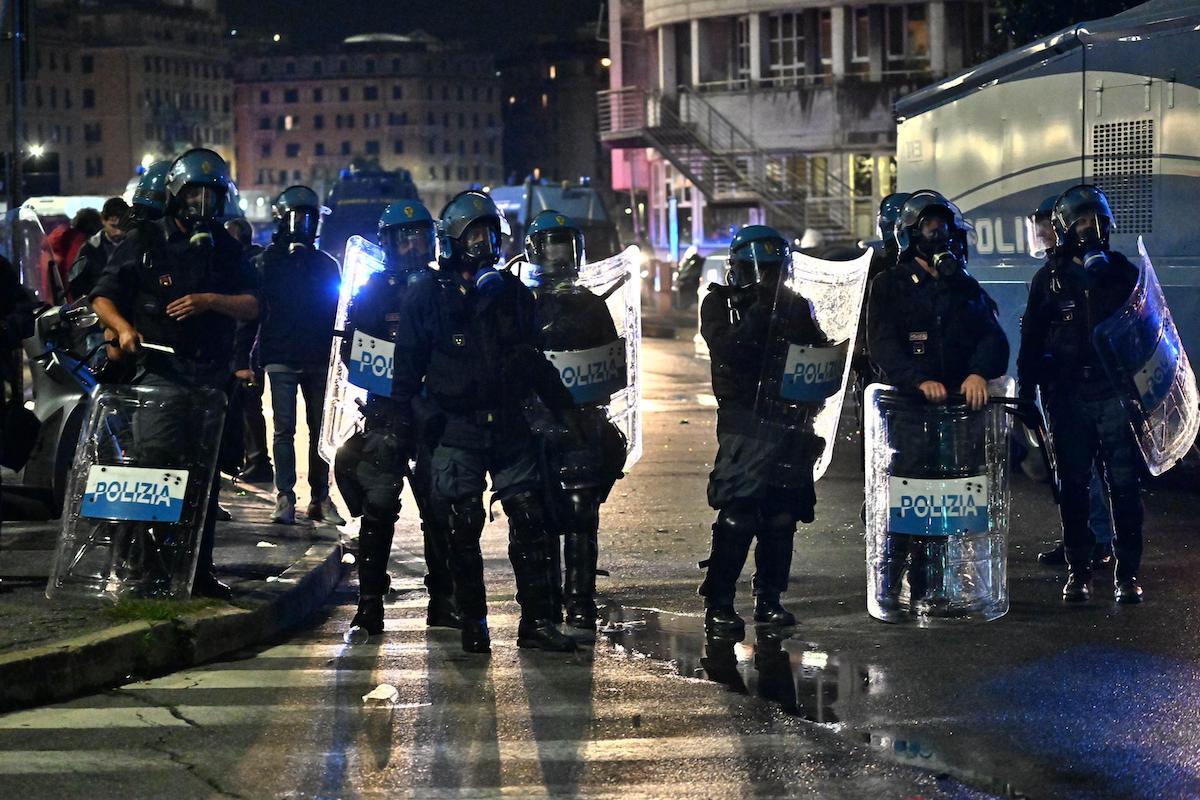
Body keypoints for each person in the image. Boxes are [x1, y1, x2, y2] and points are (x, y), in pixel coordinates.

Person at [391, 190, 578, 654]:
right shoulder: (425, 298)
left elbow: (533, 360)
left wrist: (567, 412)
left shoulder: (513, 295)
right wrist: (407, 430)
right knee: (461, 524)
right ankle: (473, 621)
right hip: (456, 428)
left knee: (531, 520)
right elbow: (406, 373)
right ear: (452, 240)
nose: (484, 243)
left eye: (490, 233)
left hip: (510, 427)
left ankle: (537, 621)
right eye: (475, 234)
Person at [89, 147, 260, 599]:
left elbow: (253, 303)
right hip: (159, 376)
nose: (201, 203)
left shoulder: (226, 247)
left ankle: (196, 575)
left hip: (211, 380)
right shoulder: (145, 240)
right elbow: (102, 296)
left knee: (202, 480)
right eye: (193, 193)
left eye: (210, 194)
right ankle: (146, 574)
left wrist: (210, 301)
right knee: (155, 474)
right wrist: (123, 330)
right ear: (175, 194)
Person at [866, 190, 1009, 611]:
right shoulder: (889, 285)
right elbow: (882, 347)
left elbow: (993, 337)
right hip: (909, 411)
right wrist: (917, 380)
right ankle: (891, 586)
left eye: (942, 228)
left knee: (946, 499)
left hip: (958, 416)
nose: (938, 235)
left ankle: (934, 588)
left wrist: (979, 372)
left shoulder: (962, 285)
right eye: (929, 229)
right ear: (910, 236)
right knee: (909, 497)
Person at [1017, 184, 1144, 603]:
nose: (1090, 229)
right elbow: (1031, 341)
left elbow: (1146, 334)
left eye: (1096, 222)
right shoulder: (1048, 280)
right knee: (1073, 487)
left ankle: (1127, 574)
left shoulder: (1122, 272)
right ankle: (1079, 571)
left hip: (1113, 395)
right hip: (1068, 398)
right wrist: (1027, 398)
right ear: (1066, 229)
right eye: (1081, 222)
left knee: (1124, 486)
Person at [698, 225, 828, 635]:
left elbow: (816, 351)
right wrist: (759, 312)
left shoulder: (795, 305)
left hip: (789, 420)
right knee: (739, 513)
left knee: (781, 515)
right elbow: (729, 350)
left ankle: (769, 597)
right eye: (759, 270)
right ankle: (719, 602)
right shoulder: (720, 304)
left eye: (773, 271)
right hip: (744, 421)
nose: (766, 278)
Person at [340, 200, 460, 637]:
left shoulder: (445, 286)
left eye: (419, 235)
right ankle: (369, 604)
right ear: (388, 241)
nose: (412, 245)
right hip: (388, 415)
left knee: (441, 510)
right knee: (378, 510)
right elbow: (352, 351)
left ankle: (443, 600)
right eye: (403, 236)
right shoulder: (372, 291)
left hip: (435, 416)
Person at [523, 210, 628, 633]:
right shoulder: (524, 304)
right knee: (538, 514)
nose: (558, 259)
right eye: (551, 250)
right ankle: (544, 601)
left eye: (565, 249)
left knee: (583, 513)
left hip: (584, 420)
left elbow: (610, 359)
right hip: (537, 424)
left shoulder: (591, 304)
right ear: (535, 253)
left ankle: (580, 600)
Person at [1020, 195, 1115, 572]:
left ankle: (1098, 540)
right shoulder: (1050, 274)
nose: (1041, 236)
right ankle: (1079, 538)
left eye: (1046, 228)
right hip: (1057, 386)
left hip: (1078, 389)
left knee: (1084, 470)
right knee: (1070, 471)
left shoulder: (1078, 274)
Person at [251, 186, 344, 526]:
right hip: (281, 354)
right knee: (284, 429)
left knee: (321, 433)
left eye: (309, 218)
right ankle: (285, 496)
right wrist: (246, 361)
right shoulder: (266, 263)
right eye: (297, 217)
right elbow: (253, 312)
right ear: (282, 219)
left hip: (319, 358)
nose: (303, 225)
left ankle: (320, 497)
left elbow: (339, 313)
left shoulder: (325, 264)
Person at [226, 217, 273, 486]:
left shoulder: (248, 265)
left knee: (248, 405)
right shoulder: (250, 262)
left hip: (248, 350)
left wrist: (242, 359)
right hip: (246, 349)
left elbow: (246, 320)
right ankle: (252, 460)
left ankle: (257, 461)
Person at [67, 197, 130, 301]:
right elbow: (76, 285)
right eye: (113, 226)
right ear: (103, 220)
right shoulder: (88, 249)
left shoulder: (134, 245)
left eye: (122, 227)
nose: (118, 232)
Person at [44, 208, 101, 301]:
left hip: (63, 297)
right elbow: (73, 273)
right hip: (74, 299)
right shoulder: (80, 243)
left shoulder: (65, 239)